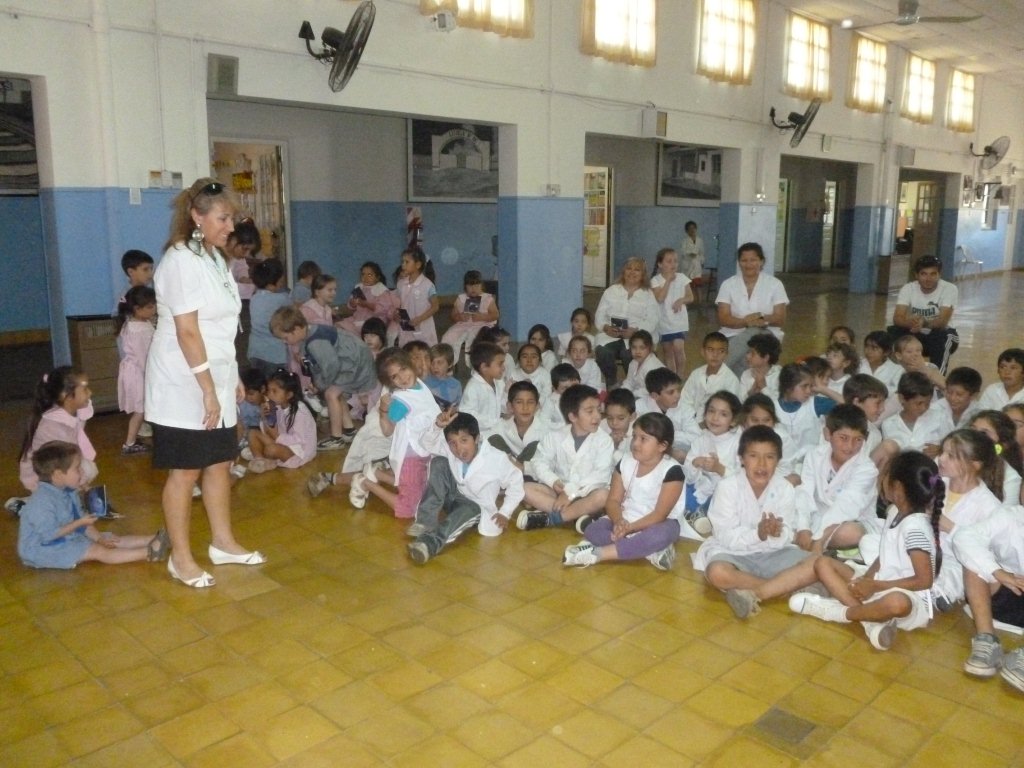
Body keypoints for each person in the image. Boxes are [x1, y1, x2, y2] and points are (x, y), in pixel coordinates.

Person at [145, 178, 265, 589]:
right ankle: (180, 557)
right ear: (197, 217)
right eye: (222, 217)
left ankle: (223, 542)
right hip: (184, 380)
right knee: (185, 471)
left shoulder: (215, 257)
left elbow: (224, 327)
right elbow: (188, 332)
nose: (230, 226)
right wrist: (208, 388)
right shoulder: (179, 260)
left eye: (232, 217)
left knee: (219, 462)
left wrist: (229, 378)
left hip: (215, 373)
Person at [789, 450, 943, 651]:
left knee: (896, 603)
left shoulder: (915, 528)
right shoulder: (895, 512)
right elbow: (885, 554)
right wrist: (866, 579)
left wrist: (875, 586)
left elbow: (924, 581)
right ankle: (870, 622)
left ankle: (836, 612)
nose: (882, 479)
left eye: (886, 475)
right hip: (879, 583)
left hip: (906, 597)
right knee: (823, 563)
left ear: (896, 487)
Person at [692, 426, 810, 619]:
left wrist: (776, 532)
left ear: (778, 461)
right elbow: (725, 536)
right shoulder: (727, 487)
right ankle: (781, 587)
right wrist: (758, 534)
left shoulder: (785, 488)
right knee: (717, 572)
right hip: (734, 553)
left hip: (773, 552)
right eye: (754, 456)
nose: (762, 464)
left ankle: (750, 588)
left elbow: (789, 532)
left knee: (816, 562)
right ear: (742, 459)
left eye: (770, 457)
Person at [17, 441, 169, 569]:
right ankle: (150, 552)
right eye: (77, 468)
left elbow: (82, 522)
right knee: (98, 551)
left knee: (111, 540)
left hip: (67, 537)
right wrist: (80, 524)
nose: (82, 471)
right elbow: (48, 535)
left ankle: (160, 539)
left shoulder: (69, 492)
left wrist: (98, 537)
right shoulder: (41, 503)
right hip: (43, 549)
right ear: (58, 475)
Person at [562, 413, 684, 570]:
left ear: (662, 446)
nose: (635, 443)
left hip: (659, 523)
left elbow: (659, 514)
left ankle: (596, 554)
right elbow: (613, 501)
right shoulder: (625, 462)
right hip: (626, 517)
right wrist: (619, 521)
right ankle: (649, 551)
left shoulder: (672, 471)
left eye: (643, 439)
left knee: (658, 536)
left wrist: (630, 528)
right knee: (593, 530)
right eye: (634, 436)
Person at [407, 412, 524, 564]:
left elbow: (516, 482)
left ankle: (429, 544)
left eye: (464, 440)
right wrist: (437, 426)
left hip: (475, 507)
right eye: (452, 443)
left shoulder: (496, 458)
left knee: (468, 509)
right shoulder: (450, 450)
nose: (458, 448)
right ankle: (425, 522)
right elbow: (426, 443)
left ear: (476, 439)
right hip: (454, 496)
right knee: (439, 462)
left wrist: (505, 512)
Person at [270, 306, 377, 450]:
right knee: (337, 393)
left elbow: (331, 365)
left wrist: (320, 384)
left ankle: (336, 438)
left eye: (285, 337)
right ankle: (349, 430)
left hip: (355, 364)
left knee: (330, 394)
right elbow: (311, 354)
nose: (284, 341)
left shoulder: (315, 343)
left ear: (295, 330)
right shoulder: (309, 331)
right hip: (350, 361)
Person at [351, 348, 441, 517]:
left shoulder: (419, 384)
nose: (403, 377)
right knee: (410, 510)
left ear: (411, 365)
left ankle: (375, 472)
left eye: (403, 369)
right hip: (411, 456)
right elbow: (387, 430)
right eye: (394, 377)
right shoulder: (402, 400)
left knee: (420, 491)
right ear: (390, 382)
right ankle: (364, 482)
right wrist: (384, 410)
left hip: (425, 449)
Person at [517, 384, 614, 531]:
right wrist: (553, 481)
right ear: (572, 416)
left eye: (599, 410)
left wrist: (570, 493)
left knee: (603, 496)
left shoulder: (604, 440)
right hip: (559, 492)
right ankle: (578, 515)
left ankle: (552, 518)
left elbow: (601, 475)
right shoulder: (555, 436)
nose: (597, 416)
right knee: (522, 488)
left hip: (587, 493)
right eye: (590, 411)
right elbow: (539, 462)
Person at [928, 429, 1004, 610]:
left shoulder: (989, 506)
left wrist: (951, 527)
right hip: (920, 548)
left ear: (975, 465)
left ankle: (931, 594)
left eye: (951, 456)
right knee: (871, 542)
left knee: (949, 578)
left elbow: (982, 554)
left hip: (953, 562)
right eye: (942, 452)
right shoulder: (934, 481)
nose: (942, 459)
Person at [953, 504, 1024, 690]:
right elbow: (964, 537)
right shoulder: (1010, 515)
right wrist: (998, 572)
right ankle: (987, 639)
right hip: (1010, 589)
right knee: (974, 563)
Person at [794, 404, 879, 553]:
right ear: (828, 434)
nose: (850, 446)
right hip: (817, 518)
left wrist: (819, 538)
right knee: (783, 519)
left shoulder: (867, 468)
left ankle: (810, 544)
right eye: (843, 438)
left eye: (858, 439)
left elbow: (846, 507)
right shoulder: (814, 455)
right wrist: (803, 528)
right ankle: (805, 540)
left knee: (851, 533)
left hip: (848, 521)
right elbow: (804, 493)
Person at [19, 367, 98, 494]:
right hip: (45, 476)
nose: (90, 393)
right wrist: (82, 483)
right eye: (84, 389)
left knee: (88, 468)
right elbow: (60, 463)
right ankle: (30, 503)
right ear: (65, 396)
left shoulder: (71, 413)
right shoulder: (53, 427)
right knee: (82, 472)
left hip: (60, 465)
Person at [716, 242, 789, 375]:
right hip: (733, 335)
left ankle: (715, 370)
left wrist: (760, 319)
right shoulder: (728, 284)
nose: (748, 264)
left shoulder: (775, 284)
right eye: (744, 260)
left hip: (766, 335)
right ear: (738, 262)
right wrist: (745, 322)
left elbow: (780, 319)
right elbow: (723, 318)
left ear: (762, 261)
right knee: (744, 359)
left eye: (753, 260)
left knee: (755, 331)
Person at [682, 390, 743, 537]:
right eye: (711, 411)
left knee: (722, 501)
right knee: (679, 485)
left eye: (723, 414)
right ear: (705, 414)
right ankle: (696, 514)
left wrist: (719, 469)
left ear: (733, 420)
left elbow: (743, 480)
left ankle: (696, 514)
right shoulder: (700, 440)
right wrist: (695, 464)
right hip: (700, 487)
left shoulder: (739, 443)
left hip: (726, 493)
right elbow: (688, 476)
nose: (715, 418)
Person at [594, 257, 661, 389]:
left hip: (636, 337)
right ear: (623, 271)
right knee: (602, 351)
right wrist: (606, 327)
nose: (632, 272)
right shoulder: (611, 291)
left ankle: (633, 385)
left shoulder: (647, 294)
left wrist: (635, 331)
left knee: (629, 354)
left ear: (643, 275)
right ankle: (612, 383)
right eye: (629, 268)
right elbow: (599, 315)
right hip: (610, 335)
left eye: (637, 270)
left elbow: (653, 319)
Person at [889, 254, 959, 374]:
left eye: (933, 274)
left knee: (942, 338)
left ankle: (937, 380)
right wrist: (910, 323)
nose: (928, 278)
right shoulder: (908, 288)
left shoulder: (949, 289)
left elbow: (942, 321)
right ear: (916, 275)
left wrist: (924, 323)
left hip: (942, 334)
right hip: (916, 332)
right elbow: (897, 318)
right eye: (924, 274)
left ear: (939, 275)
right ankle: (897, 375)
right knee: (893, 332)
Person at [243, 369, 317, 473]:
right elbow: (269, 431)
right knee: (252, 433)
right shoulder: (278, 406)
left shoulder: (300, 411)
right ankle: (260, 460)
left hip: (299, 453)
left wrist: (277, 437)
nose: (270, 395)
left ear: (289, 395)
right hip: (283, 444)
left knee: (271, 450)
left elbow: (300, 439)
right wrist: (264, 417)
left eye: (275, 391)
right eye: (269, 391)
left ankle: (265, 457)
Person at [116, 285, 157, 455]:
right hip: (138, 373)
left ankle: (133, 440)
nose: (154, 309)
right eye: (149, 307)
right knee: (140, 411)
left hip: (133, 371)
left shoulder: (134, 323)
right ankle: (129, 444)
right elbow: (143, 358)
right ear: (136, 309)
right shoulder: (139, 329)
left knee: (143, 409)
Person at [488, 381, 549, 477]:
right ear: (510, 406)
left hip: (531, 477)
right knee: (493, 439)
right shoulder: (500, 427)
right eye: (519, 402)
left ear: (537, 406)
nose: (525, 408)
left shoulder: (546, 430)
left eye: (530, 402)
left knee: (536, 446)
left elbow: (548, 466)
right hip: (506, 474)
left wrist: (522, 466)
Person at [650, 247, 693, 375]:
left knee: (678, 348)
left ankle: (679, 376)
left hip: (678, 321)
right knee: (668, 351)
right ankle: (671, 375)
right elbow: (660, 298)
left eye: (675, 261)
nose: (673, 264)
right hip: (663, 321)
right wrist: (668, 280)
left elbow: (691, 297)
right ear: (660, 264)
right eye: (669, 261)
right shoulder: (655, 280)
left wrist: (681, 300)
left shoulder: (682, 278)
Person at [441, 269, 498, 365]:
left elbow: (495, 315)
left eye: (476, 285)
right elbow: (453, 315)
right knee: (448, 336)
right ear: (465, 286)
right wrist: (460, 317)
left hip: (482, 325)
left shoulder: (487, 298)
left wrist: (482, 317)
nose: (473, 288)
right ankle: (448, 362)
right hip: (463, 325)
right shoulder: (461, 298)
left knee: (473, 339)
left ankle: (474, 364)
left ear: (482, 286)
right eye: (470, 285)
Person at [680, 331, 740, 421]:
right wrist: (690, 420)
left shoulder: (731, 380)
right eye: (710, 350)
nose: (715, 355)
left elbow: (729, 410)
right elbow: (685, 400)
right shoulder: (696, 374)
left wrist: (704, 424)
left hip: (715, 424)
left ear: (726, 354)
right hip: (690, 420)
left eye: (721, 351)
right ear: (703, 352)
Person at [247, 257, 291, 376]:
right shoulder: (282, 299)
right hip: (275, 353)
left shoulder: (254, 297)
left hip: (255, 351)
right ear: (277, 280)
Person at [459, 341, 507, 438]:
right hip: (480, 436)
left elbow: (502, 403)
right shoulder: (473, 387)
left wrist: (510, 408)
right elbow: (468, 416)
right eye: (500, 364)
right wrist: (495, 421)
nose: (503, 368)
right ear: (484, 367)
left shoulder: (499, 382)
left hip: (497, 430)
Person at [393, 247, 439, 346]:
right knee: (406, 351)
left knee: (423, 351)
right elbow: (399, 303)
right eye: (402, 262)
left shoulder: (428, 285)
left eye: (407, 262)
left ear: (418, 265)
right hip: (406, 326)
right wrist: (396, 314)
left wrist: (420, 319)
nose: (403, 265)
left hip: (423, 326)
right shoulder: (401, 284)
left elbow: (435, 306)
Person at [337, 261, 398, 336]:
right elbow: (350, 306)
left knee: (354, 333)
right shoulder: (359, 287)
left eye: (369, 275)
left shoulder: (382, 291)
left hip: (373, 323)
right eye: (363, 274)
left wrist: (366, 304)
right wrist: (352, 303)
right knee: (338, 327)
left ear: (377, 277)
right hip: (357, 319)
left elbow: (383, 310)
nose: (365, 277)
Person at [936, 366, 982, 434]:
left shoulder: (979, 414)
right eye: (949, 392)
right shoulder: (935, 408)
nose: (952, 398)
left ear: (974, 395)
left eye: (959, 394)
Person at [738, 332, 782, 400]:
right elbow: (740, 403)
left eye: (753, 354)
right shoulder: (746, 374)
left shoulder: (779, 375)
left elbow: (778, 405)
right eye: (748, 352)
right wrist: (751, 392)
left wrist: (763, 387)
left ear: (766, 358)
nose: (747, 356)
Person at [424, 343, 462, 407]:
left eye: (439, 362)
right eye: (432, 363)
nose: (435, 366)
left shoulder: (456, 384)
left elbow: (459, 405)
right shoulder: (425, 384)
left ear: (450, 364)